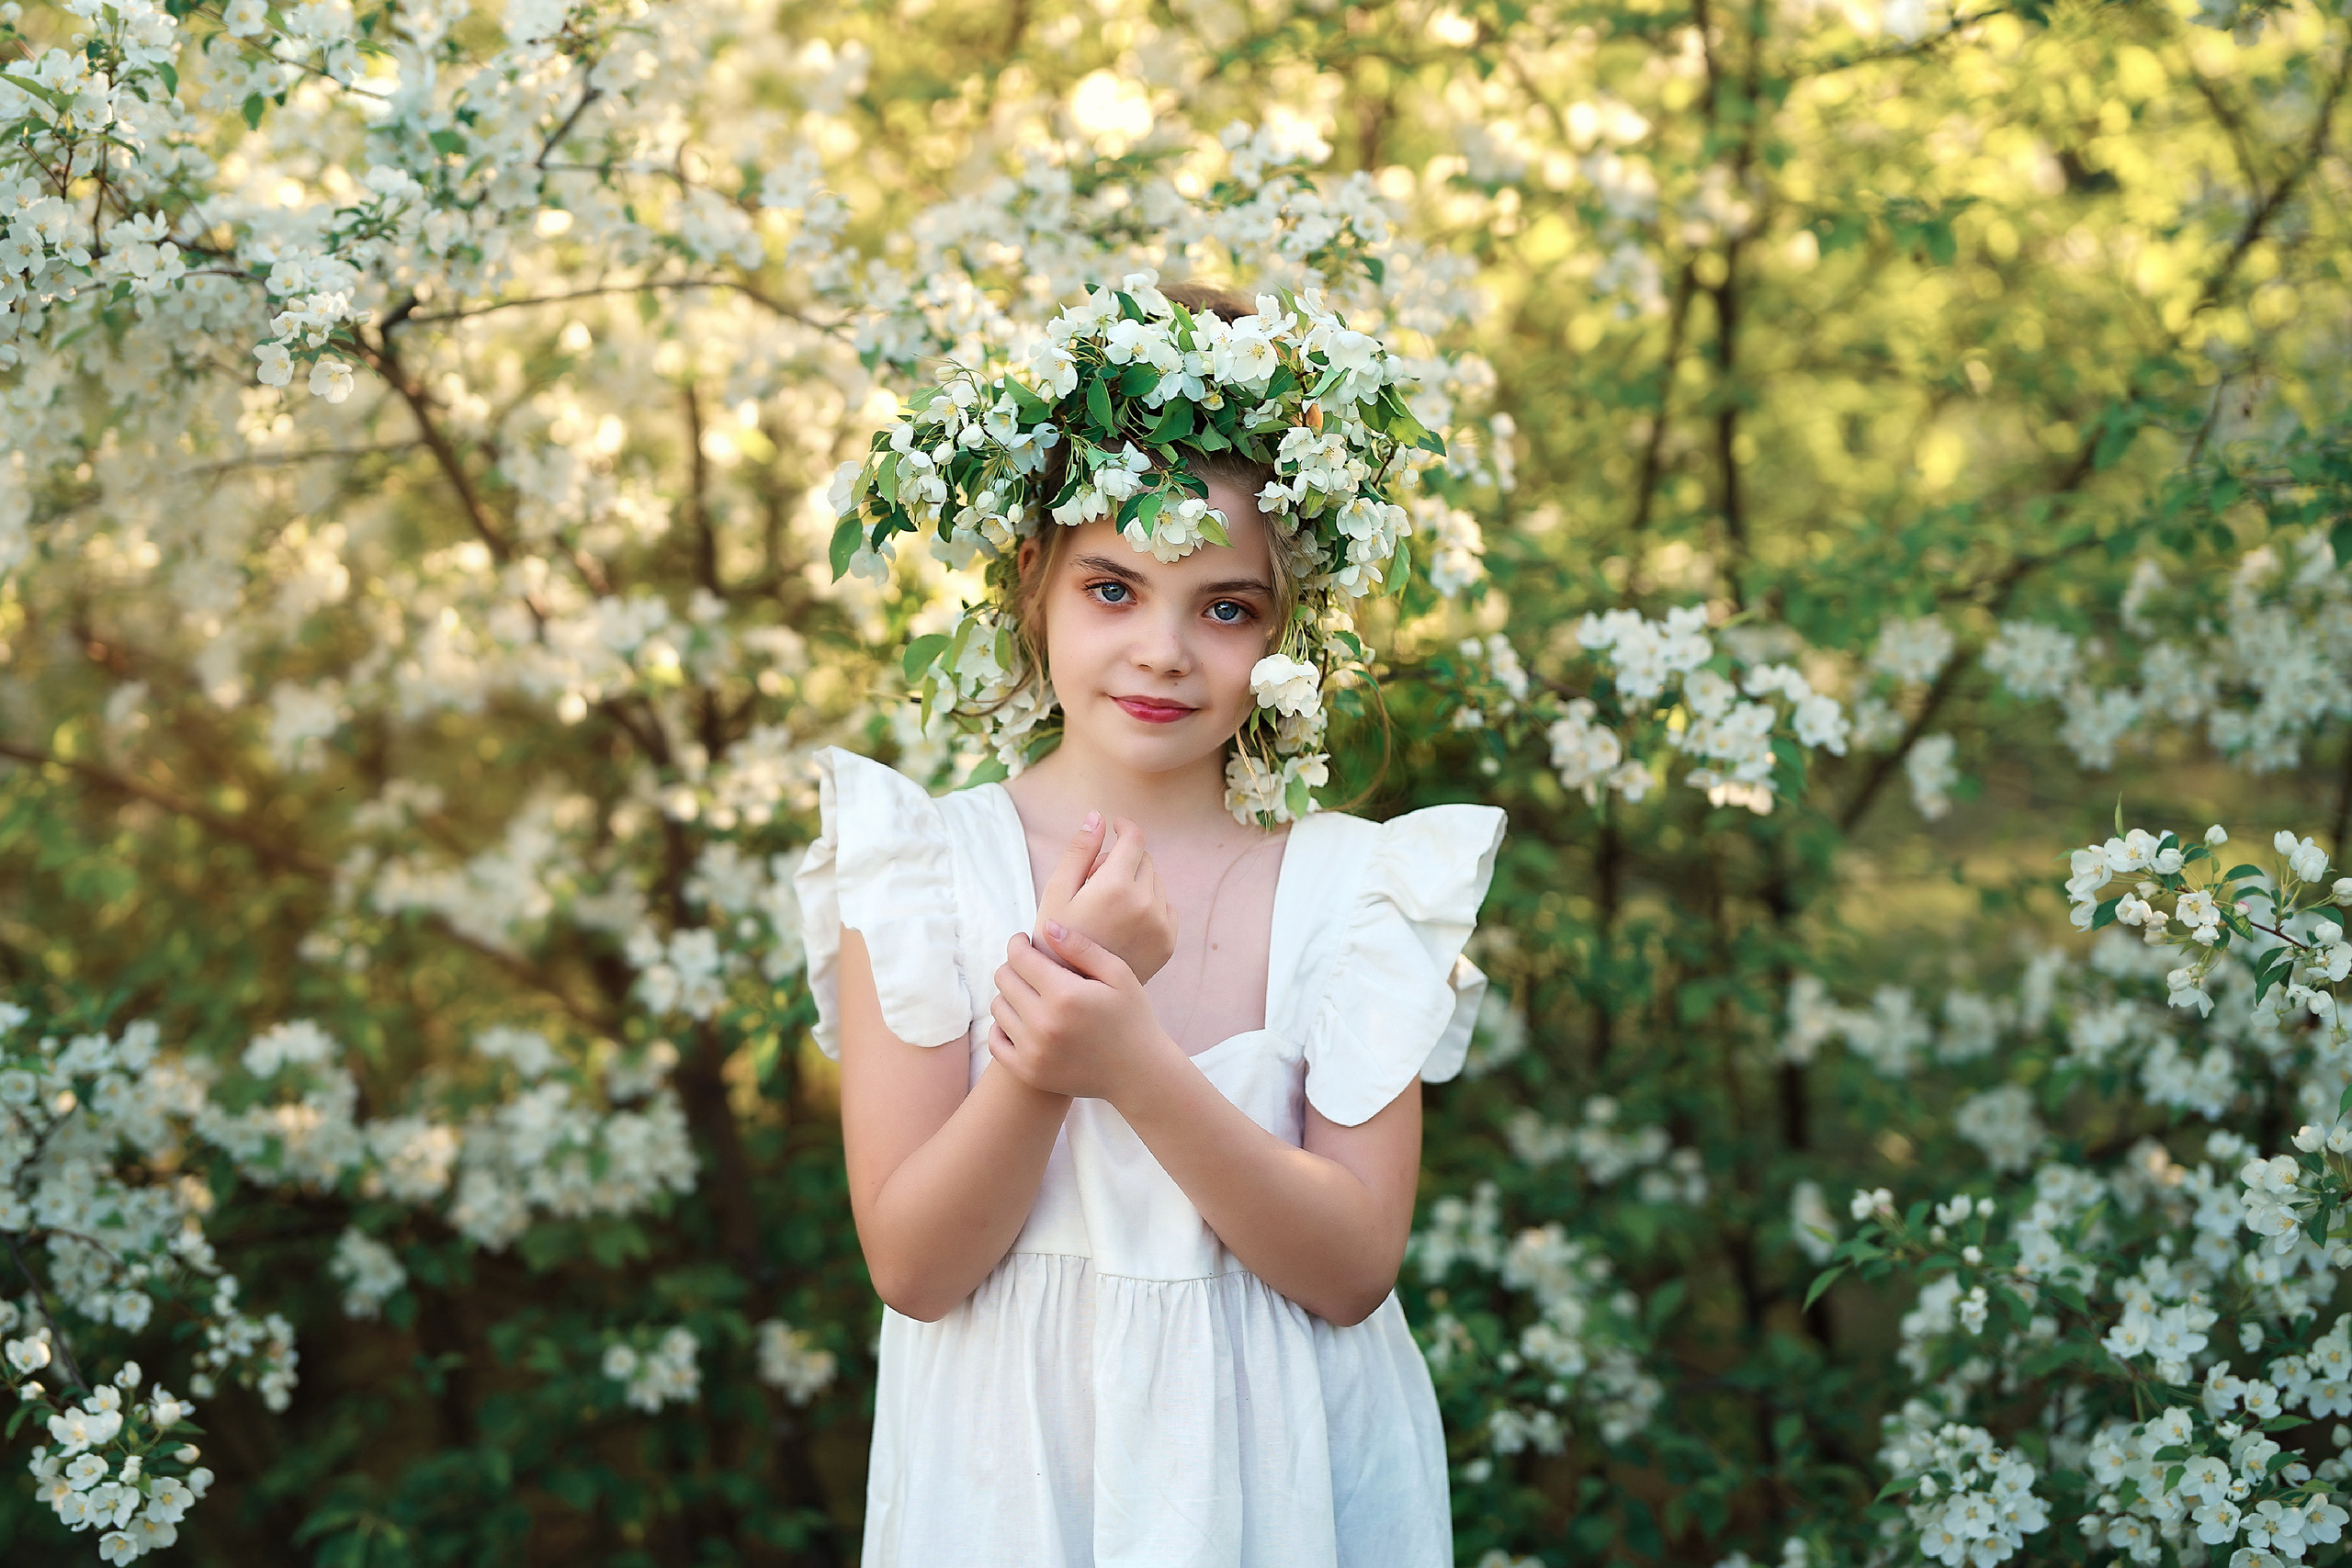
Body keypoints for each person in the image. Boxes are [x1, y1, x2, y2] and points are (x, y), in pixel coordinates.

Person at [797, 275, 1504, 1566]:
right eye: (1114, 589)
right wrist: (1052, 1047)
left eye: (1225, 606)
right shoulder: (927, 873)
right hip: (1014, 1486)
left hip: (1286, 1495)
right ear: (1034, 581)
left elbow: (1349, 1269)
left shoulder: (1353, 894)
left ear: (1289, 629)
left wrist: (1134, 1066)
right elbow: (914, 1265)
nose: (1165, 651)